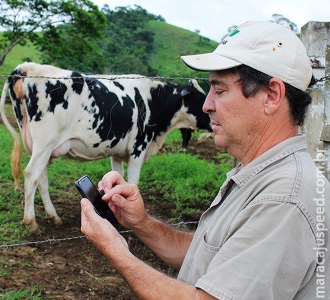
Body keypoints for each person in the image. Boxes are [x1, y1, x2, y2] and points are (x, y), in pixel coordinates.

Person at [80, 20, 330, 299]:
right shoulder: (259, 172)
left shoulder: (284, 197)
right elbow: (210, 254)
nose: (206, 105)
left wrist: (116, 249)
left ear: (271, 96)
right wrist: (141, 223)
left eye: (220, 91)